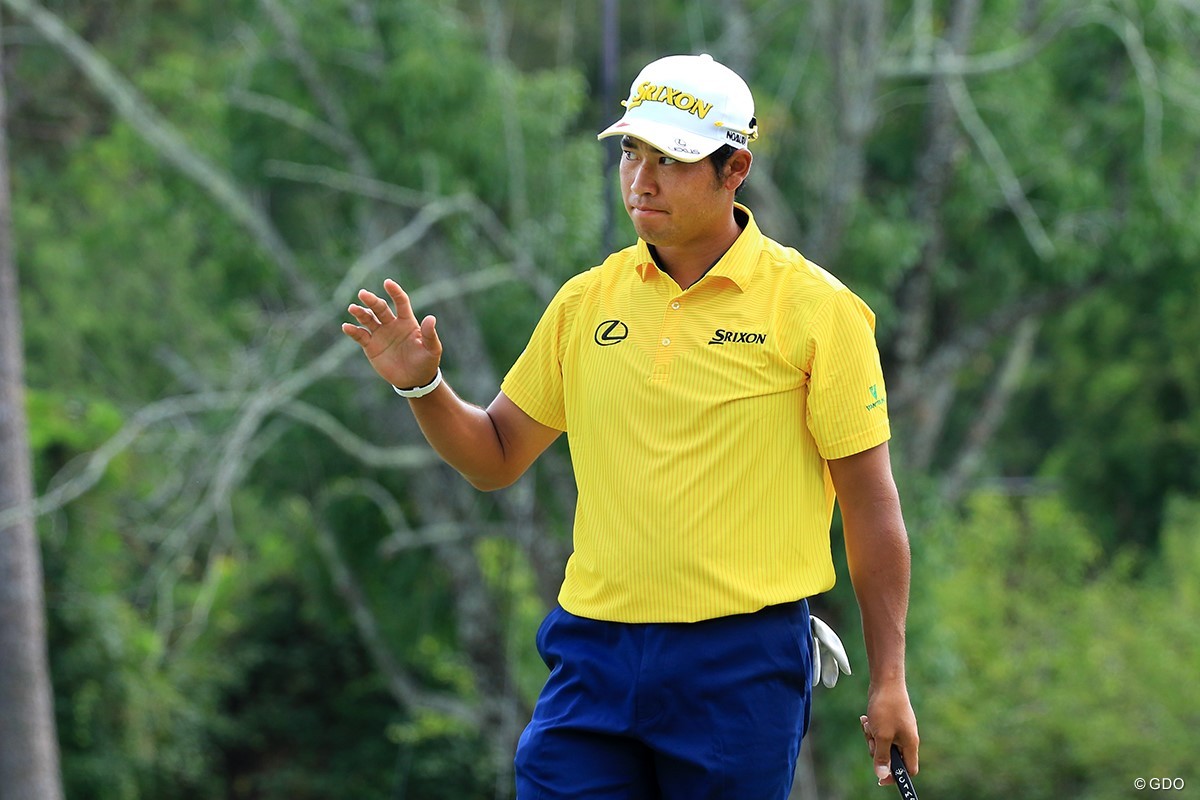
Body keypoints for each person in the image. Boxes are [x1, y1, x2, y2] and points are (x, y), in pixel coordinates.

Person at [342, 53, 919, 799]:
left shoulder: (816, 310)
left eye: (671, 160)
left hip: (739, 663)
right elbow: (496, 456)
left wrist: (890, 679)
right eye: (630, 153)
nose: (642, 180)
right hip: (593, 654)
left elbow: (871, 507)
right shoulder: (586, 302)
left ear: (735, 169)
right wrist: (422, 386)